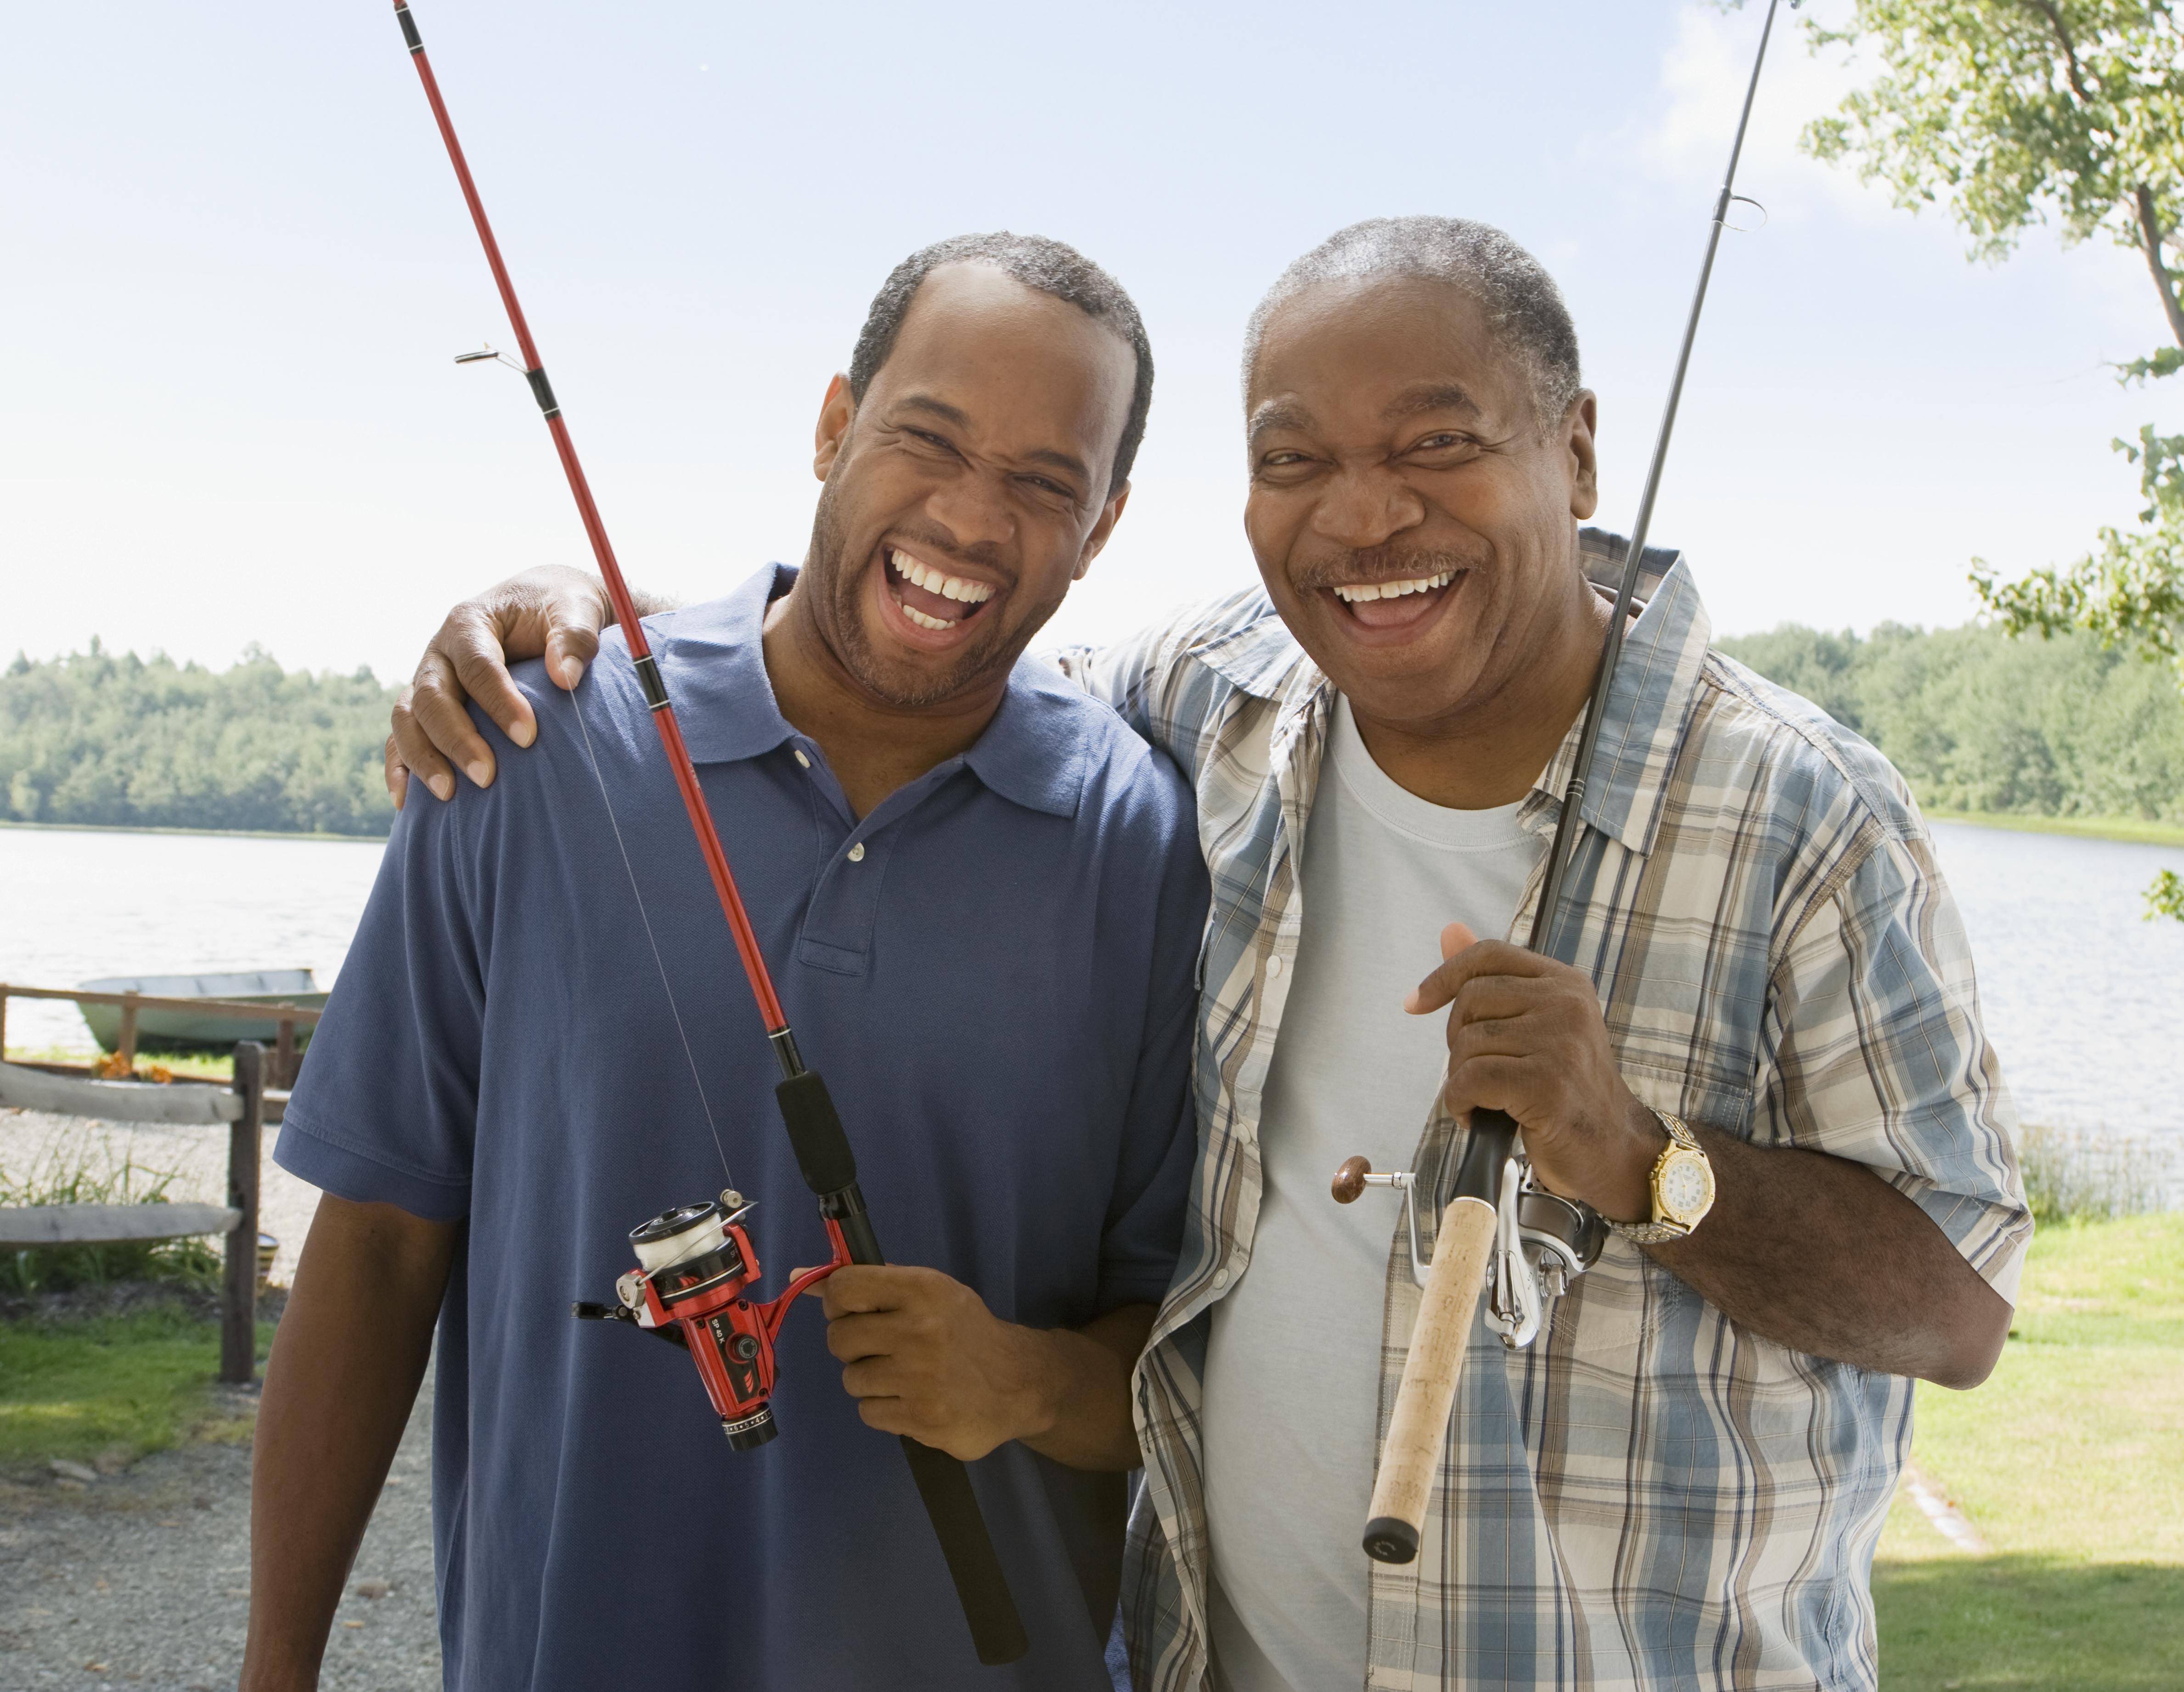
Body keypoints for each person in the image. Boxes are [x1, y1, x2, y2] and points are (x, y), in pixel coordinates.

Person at [387, 217, 2032, 1692]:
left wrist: (1637, 1155)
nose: (1364, 513)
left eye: (1437, 443)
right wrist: (593, 626)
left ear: (1578, 451)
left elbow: (1958, 1309)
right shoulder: (1212, 701)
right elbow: (924, 635)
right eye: (1294, 457)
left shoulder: (1807, 812)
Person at [243, 233, 1211, 1692]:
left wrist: (1030, 1379)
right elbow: (377, 1241)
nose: (966, 515)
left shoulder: (1149, 846)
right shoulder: (528, 739)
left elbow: (1189, 1361)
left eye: (1042, 482)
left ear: (1107, 522)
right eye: (924, 438)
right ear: (833, 426)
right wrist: (275, 1669)